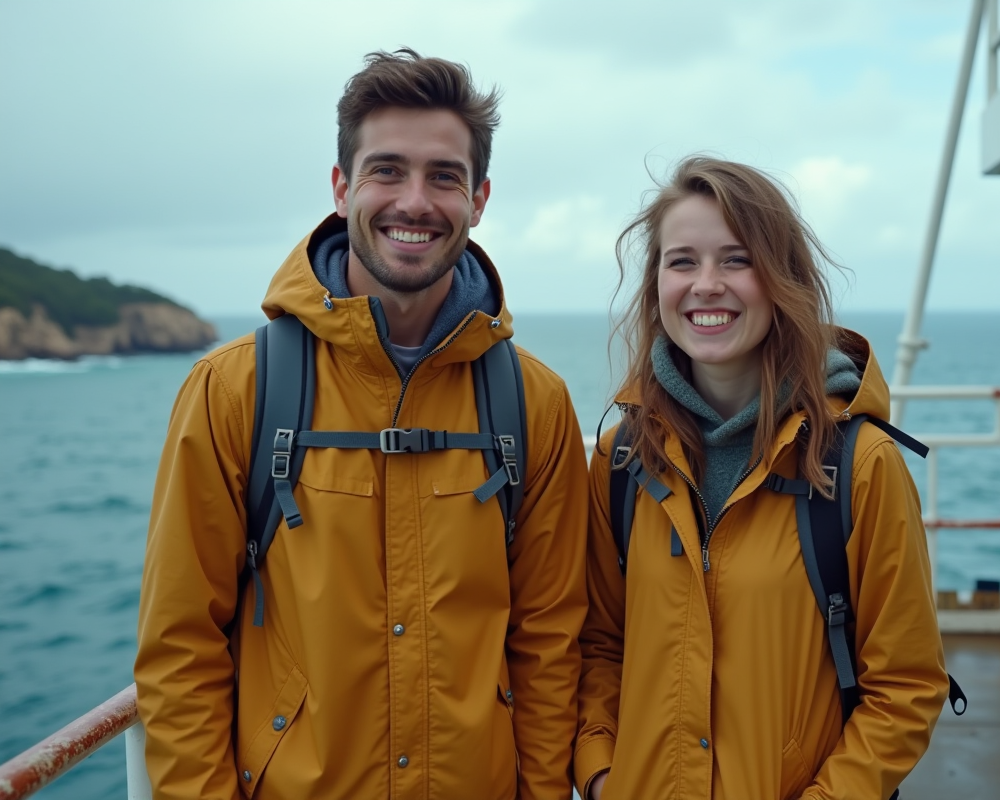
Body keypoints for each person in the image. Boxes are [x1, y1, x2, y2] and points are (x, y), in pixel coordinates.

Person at [135, 49, 588, 800]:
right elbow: (179, 649)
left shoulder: (533, 402)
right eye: (386, 170)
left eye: (444, 176)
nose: (414, 201)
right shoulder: (234, 390)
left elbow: (549, 644)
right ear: (342, 186)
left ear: (479, 198)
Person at [575, 158, 948, 800]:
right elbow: (600, 645)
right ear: (656, 283)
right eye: (682, 261)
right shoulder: (622, 458)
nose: (706, 285)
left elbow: (906, 687)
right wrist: (603, 772)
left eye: (737, 259)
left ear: (782, 279)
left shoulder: (858, 465)